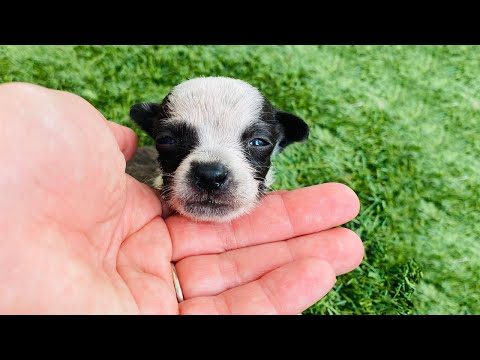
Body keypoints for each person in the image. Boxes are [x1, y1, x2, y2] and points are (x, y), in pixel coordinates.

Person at [0, 82, 364, 314]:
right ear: (152, 134)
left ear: (280, 142)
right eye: (172, 140)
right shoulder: (129, 198)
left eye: (255, 143)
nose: (211, 171)